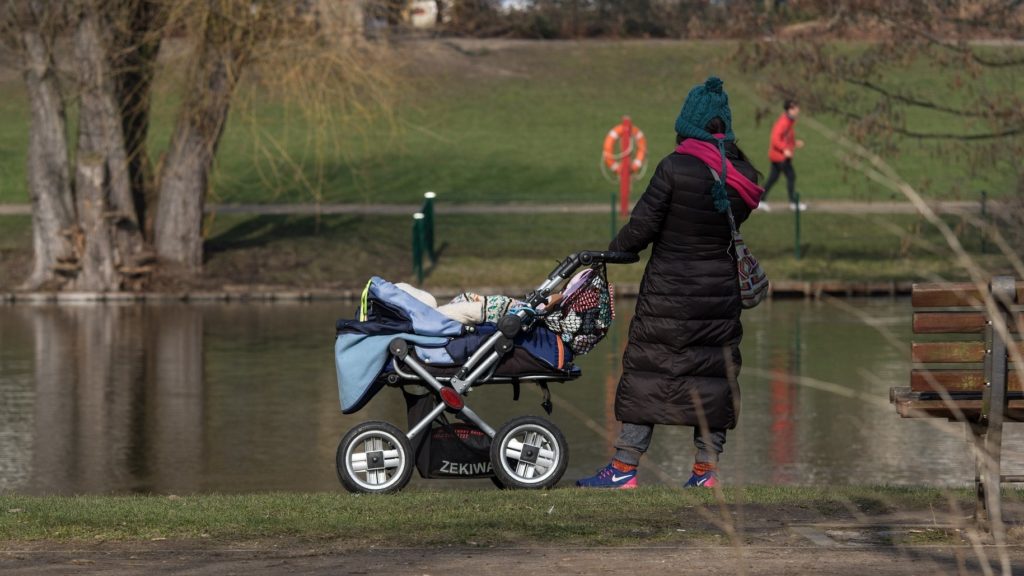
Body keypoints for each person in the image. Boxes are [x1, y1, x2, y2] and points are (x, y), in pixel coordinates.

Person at [575, 76, 763, 489]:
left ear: (688, 124)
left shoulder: (674, 167)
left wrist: (613, 250)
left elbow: (641, 228)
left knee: (649, 371)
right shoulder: (743, 176)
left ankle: (624, 468)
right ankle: (705, 473)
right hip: (719, 294)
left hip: (669, 293)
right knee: (715, 377)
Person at [761, 99, 805, 212]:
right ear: (790, 109)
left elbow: (786, 138)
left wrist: (795, 143)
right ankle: (793, 203)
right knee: (791, 176)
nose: (798, 110)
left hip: (778, 156)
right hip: (780, 157)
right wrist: (784, 149)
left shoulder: (789, 121)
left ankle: (761, 201)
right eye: (796, 107)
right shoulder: (783, 122)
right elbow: (775, 139)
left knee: (773, 178)